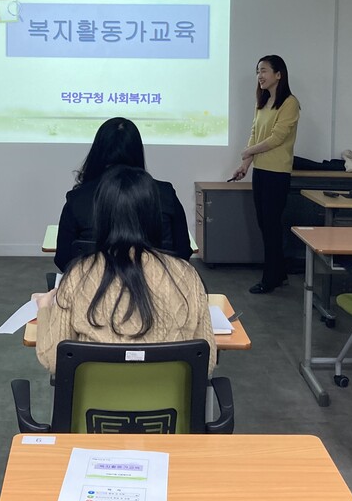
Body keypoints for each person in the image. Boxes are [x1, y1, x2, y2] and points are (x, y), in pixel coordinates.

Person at [35, 165, 216, 375]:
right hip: (168, 397)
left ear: (100, 216)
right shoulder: (186, 275)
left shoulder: (78, 275)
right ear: (154, 216)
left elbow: (53, 360)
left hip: (97, 396)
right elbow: (207, 360)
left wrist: (45, 308)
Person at [54, 116, 190, 272]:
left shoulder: (77, 198)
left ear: (97, 151)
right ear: (137, 151)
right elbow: (183, 253)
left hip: (94, 286)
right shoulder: (166, 194)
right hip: (157, 285)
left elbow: (63, 259)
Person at [231, 54, 301, 294]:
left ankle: (270, 278)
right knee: (264, 224)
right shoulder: (262, 101)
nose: (259, 76)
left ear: (278, 74)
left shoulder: (289, 103)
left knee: (271, 225)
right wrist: (245, 164)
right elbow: (255, 134)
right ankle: (279, 273)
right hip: (261, 171)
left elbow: (277, 138)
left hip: (277, 173)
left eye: (264, 70)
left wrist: (249, 151)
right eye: (257, 71)